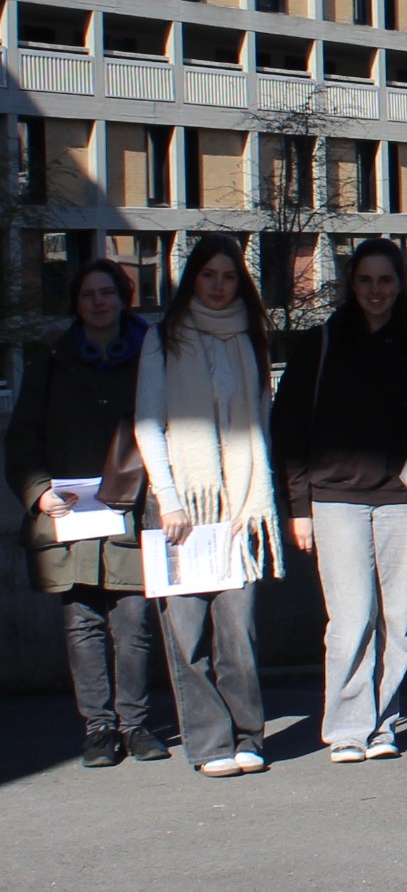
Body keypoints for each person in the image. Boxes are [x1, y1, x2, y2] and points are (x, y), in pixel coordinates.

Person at [273, 239, 407, 763]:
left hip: (401, 497)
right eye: (366, 281)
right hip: (334, 498)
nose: (376, 291)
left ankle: (383, 722)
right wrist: (297, 507)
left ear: (399, 287)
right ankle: (346, 727)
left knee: (398, 621)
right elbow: (289, 431)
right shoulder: (320, 345)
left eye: (386, 281)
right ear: (351, 285)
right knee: (351, 618)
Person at [7, 259, 167, 767]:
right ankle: (99, 728)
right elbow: (23, 439)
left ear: (123, 300)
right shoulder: (51, 362)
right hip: (71, 515)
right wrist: (37, 493)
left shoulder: (153, 358)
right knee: (82, 623)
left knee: (135, 622)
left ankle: (136, 724)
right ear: (76, 304)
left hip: (132, 513)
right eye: (88, 294)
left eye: (108, 293)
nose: (99, 302)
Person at [135, 236, 282, 777]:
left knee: (238, 634)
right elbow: (149, 425)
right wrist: (170, 500)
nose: (218, 285)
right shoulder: (164, 338)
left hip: (240, 507)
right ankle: (210, 743)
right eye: (208, 275)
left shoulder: (250, 337)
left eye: (227, 276)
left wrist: (255, 496)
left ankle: (249, 735)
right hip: (181, 511)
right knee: (187, 639)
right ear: (191, 280)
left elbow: (260, 426)